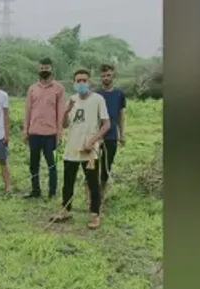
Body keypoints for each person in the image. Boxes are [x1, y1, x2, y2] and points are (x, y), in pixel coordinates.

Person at [52, 68, 111, 229]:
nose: (82, 83)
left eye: (84, 80)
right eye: (78, 81)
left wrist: (93, 141)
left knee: (93, 183)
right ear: (74, 83)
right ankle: (65, 209)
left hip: (89, 150)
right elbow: (64, 124)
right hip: (72, 148)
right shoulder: (71, 99)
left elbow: (107, 124)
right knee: (68, 182)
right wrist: (66, 110)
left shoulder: (98, 99)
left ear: (90, 82)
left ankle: (94, 214)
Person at [22, 58, 66, 199]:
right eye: (42, 68)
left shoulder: (59, 88)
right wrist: (25, 130)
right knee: (34, 164)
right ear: (38, 69)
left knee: (51, 164)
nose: (44, 70)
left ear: (51, 69)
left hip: (51, 134)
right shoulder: (32, 88)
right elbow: (28, 110)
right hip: (34, 133)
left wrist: (60, 133)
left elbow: (61, 113)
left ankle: (52, 192)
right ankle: (35, 191)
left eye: (46, 68)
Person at [95, 64, 127, 202]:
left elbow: (121, 115)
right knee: (93, 165)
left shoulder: (119, 94)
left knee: (107, 165)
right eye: (103, 75)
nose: (106, 78)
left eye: (108, 75)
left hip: (112, 135)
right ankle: (92, 193)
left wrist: (122, 134)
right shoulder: (95, 94)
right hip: (96, 136)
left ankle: (102, 193)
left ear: (113, 76)